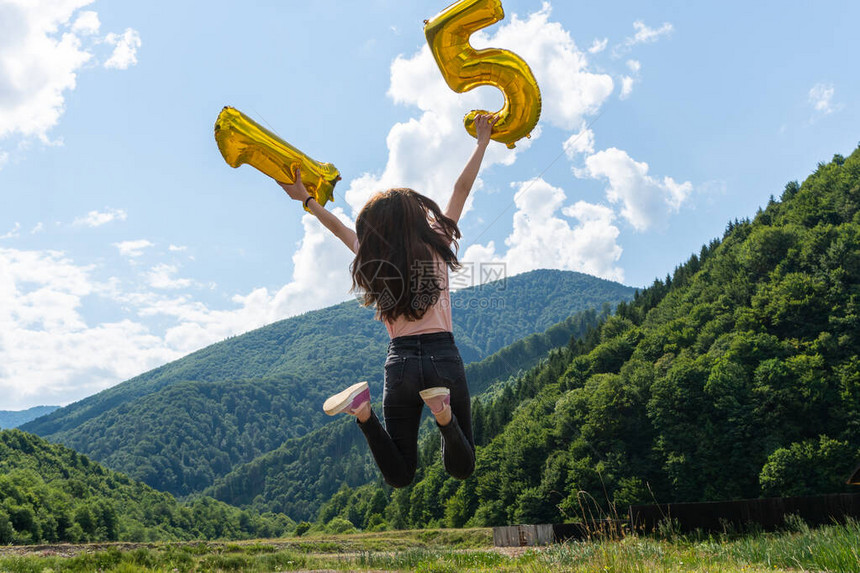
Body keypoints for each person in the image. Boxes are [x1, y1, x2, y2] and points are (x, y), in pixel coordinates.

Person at [278, 114, 498, 487]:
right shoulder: (438, 240)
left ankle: (362, 412)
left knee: (400, 474)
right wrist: (482, 141)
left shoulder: (370, 252)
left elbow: (338, 229)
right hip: (443, 356)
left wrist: (307, 200)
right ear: (416, 215)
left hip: (400, 364)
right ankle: (442, 414)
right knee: (463, 466)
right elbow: (461, 189)